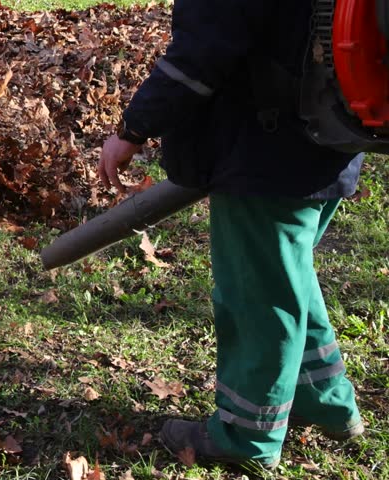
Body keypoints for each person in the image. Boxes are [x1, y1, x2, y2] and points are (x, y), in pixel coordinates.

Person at [97, 0, 365, 470]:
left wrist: (133, 129)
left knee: (259, 299)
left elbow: (200, 55)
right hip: (332, 136)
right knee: (286, 276)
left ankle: (246, 434)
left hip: (267, 150)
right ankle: (327, 402)